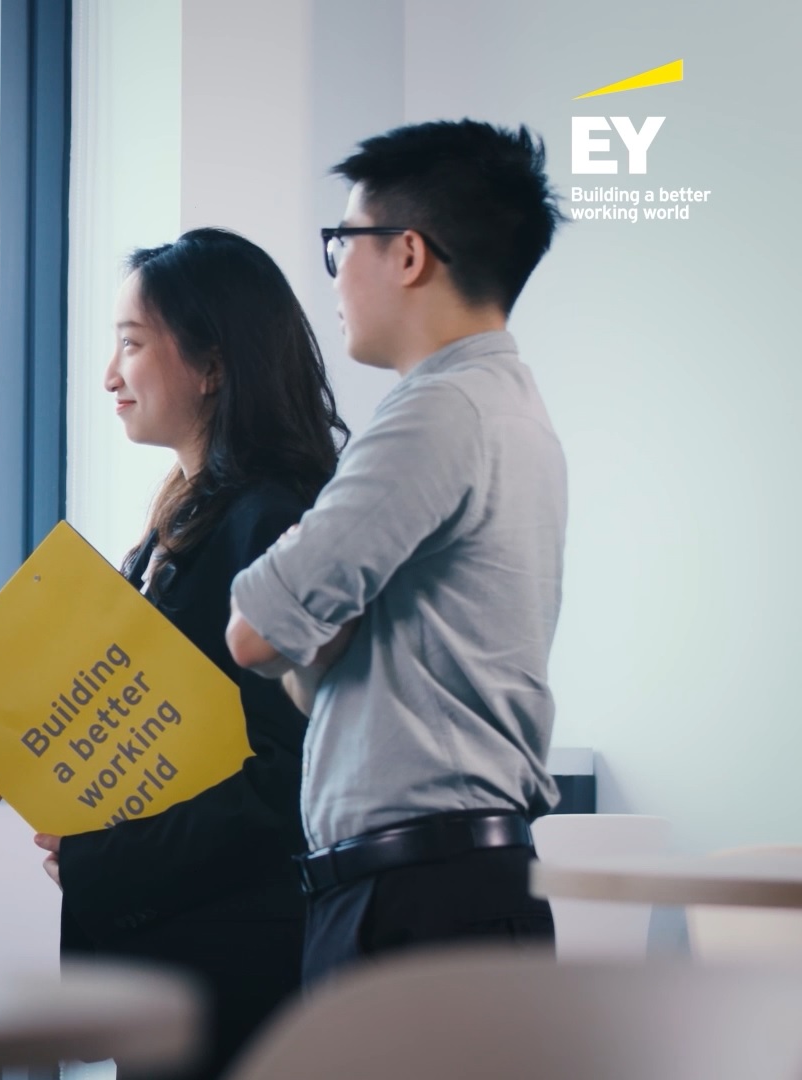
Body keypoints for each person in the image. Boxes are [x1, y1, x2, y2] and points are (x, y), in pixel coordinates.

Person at [0, 229, 347, 1079]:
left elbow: (284, 779)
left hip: (239, 960)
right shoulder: (188, 518)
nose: (108, 376)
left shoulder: (270, 524)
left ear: (211, 362)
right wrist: (19, 744)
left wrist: (99, 852)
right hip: (188, 945)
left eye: (131, 344)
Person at [226, 120, 568, 985]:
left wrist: (307, 611)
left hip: (417, 901)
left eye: (344, 242)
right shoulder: (512, 405)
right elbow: (307, 651)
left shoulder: (436, 412)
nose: (335, 275)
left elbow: (258, 631)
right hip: (459, 883)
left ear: (408, 253)